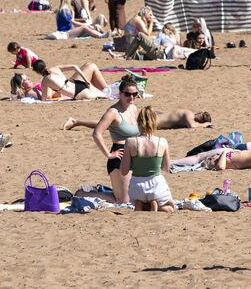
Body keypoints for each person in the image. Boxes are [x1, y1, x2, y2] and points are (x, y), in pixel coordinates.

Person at [91, 75, 142, 203]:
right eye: (128, 94)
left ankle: (100, 191)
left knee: (135, 198)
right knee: (123, 201)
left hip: (134, 155)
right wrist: (108, 155)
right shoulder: (113, 112)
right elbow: (96, 134)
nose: (132, 97)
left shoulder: (134, 109)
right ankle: (84, 194)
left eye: (135, 94)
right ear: (120, 94)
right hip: (119, 156)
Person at [120, 106, 174, 212]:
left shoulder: (130, 142)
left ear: (138, 122)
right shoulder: (162, 142)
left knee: (139, 200)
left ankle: (142, 204)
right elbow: (166, 168)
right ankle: (155, 204)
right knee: (171, 207)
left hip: (137, 187)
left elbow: (124, 171)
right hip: (156, 185)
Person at [64, 108, 211, 131]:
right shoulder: (189, 116)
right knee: (111, 125)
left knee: (112, 124)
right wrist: (206, 125)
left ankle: (78, 121)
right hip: (148, 121)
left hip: (149, 117)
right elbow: (192, 127)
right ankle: (77, 121)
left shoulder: (186, 111)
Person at [32, 59, 108, 100]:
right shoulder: (55, 68)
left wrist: (37, 92)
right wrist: (86, 81)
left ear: (37, 72)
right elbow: (74, 67)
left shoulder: (45, 81)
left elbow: (43, 99)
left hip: (78, 93)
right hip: (78, 83)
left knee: (107, 97)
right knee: (108, 95)